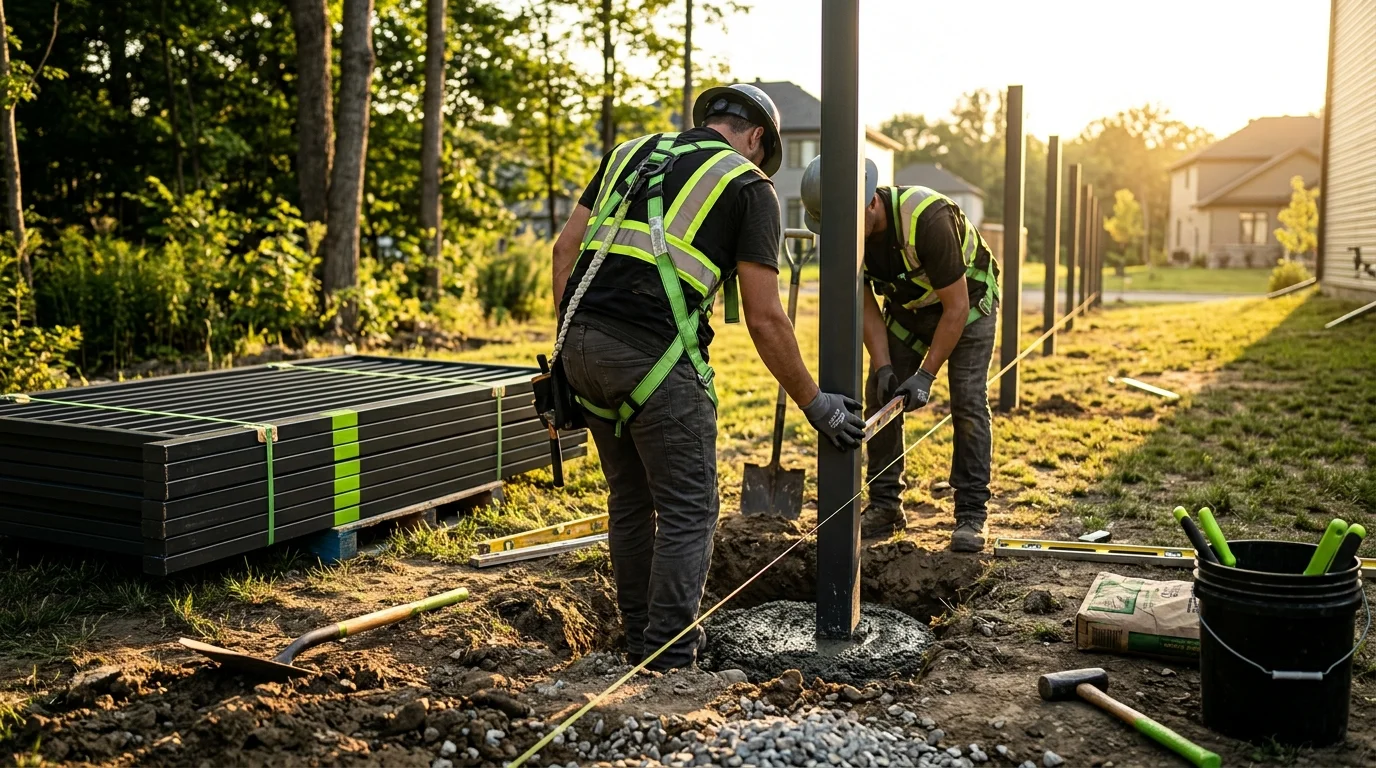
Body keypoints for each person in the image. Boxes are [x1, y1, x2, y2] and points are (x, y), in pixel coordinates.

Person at [550, 84, 866, 669]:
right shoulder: (748, 185)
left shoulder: (628, 154)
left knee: (630, 497)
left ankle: (641, 637)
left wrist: (570, 348)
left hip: (579, 351)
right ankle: (670, 657)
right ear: (757, 138)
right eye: (761, 151)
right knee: (689, 507)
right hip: (654, 361)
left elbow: (564, 253)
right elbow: (765, 316)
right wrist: (815, 403)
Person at [800, 156, 1000, 552]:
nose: (844, 234)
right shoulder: (848, 239)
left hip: (969, 305)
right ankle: (886, 505)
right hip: (909, 311)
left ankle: (971, 514)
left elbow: (956, 307)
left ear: (872, 201)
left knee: (968, 400)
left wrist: (925, 375)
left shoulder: (927, 218)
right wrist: (884, 365)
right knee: (879, 393)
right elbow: (866, 307)